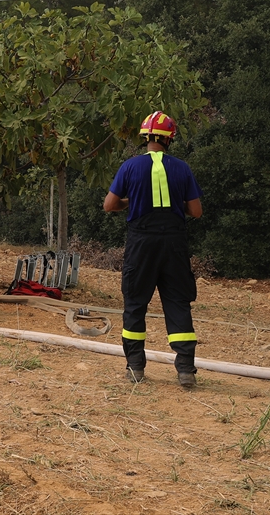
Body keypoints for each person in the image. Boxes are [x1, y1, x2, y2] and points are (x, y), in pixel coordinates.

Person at [103, 111, 203, 389]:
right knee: (177, 302)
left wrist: (130, 202)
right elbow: (196, 211)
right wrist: (174, 205)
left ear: (145, 137)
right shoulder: (182, 168)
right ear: (170, 139)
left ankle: (135, 367)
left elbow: (109, 205)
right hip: (174, 243)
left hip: (141, 243)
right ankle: (185, 370)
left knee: (135, 302)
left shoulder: (130, 166)